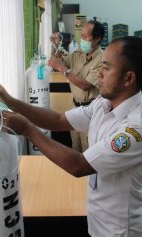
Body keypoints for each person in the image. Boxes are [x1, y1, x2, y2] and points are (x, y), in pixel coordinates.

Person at [0, 36, 142, 237]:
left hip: (120, 231)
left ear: (128, 78)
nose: (99, 73)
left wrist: (27, 130)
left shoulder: (137, 130)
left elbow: (79, 165)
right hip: (97, 218)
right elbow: (59, 119)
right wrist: (11, 102)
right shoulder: (104, 104)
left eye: (106, 67)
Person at [48, 20, 105, 152]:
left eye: (85, 37)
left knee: (88, 149)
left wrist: (63, 69)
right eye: (81, 36)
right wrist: (54, 46)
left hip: (90, 110)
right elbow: (55, 62)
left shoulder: (101, 60)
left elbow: (85, 85)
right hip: (75, 107)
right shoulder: (78, 54)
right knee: (75, 146)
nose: (82, 40)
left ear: (97, 39)